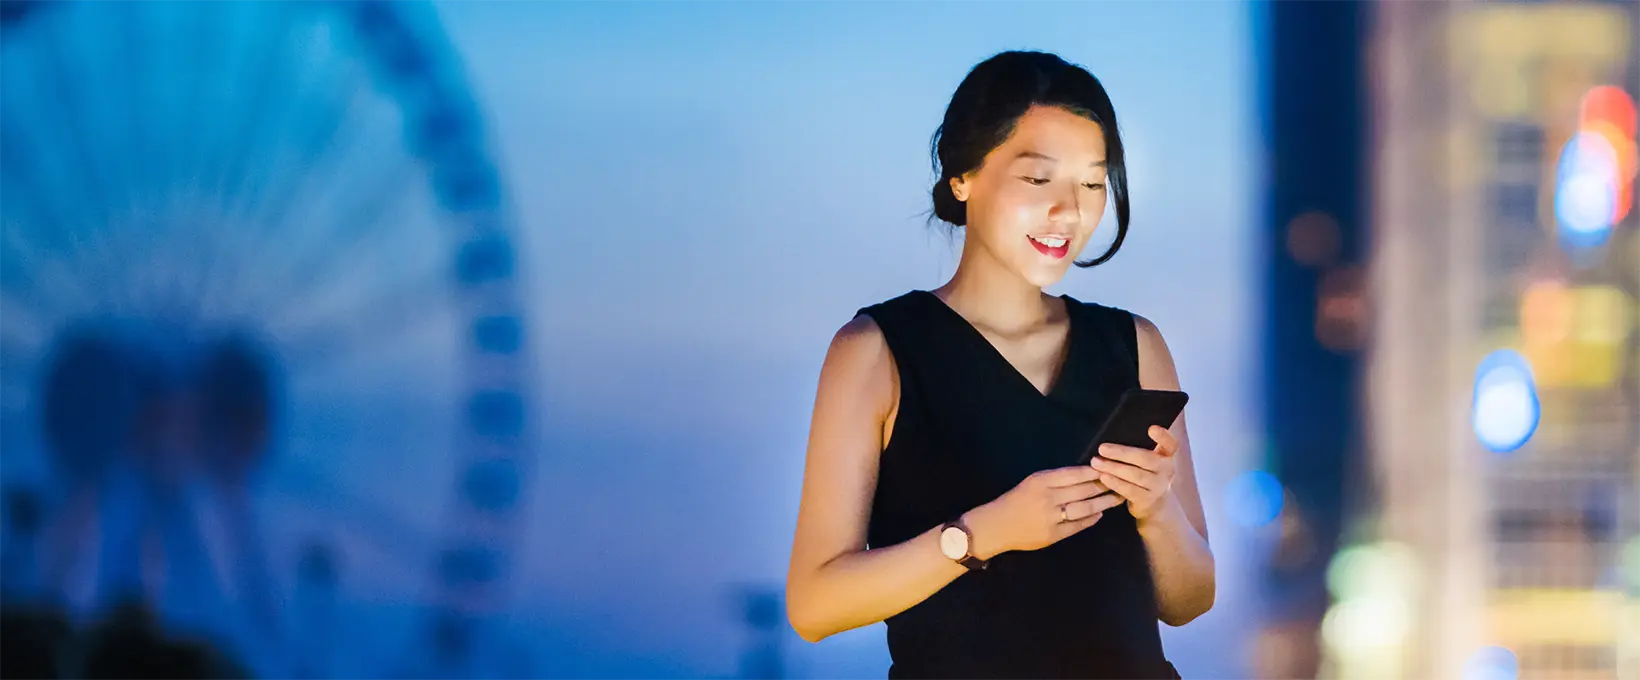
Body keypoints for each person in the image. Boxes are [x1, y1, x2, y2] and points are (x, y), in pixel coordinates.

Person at [784, 50, 1215, 679]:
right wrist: (982, 533)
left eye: (1093, 183)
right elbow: (813, 604)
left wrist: (1157, 511)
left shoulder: (1135, 345)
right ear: (963, 177)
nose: (1069, 211)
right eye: (1038, 180)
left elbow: (1190, 600)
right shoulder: (877, 351)